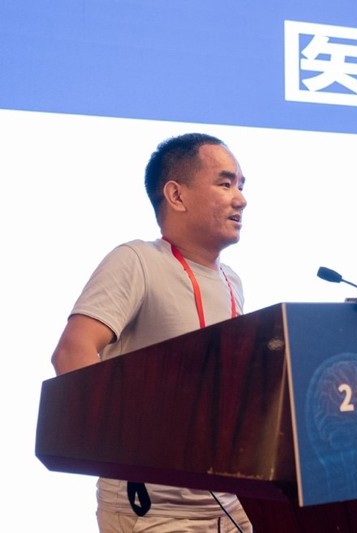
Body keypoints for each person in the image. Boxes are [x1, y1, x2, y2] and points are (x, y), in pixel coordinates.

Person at [51, 133, 252, 533]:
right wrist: (129, 445)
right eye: (225, 183)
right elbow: (72, 353)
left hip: (229, 505)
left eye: (242, 186)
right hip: (153, 509)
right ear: (176, 195)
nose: (241, 199)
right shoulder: (136, 260)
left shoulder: (232, 281)